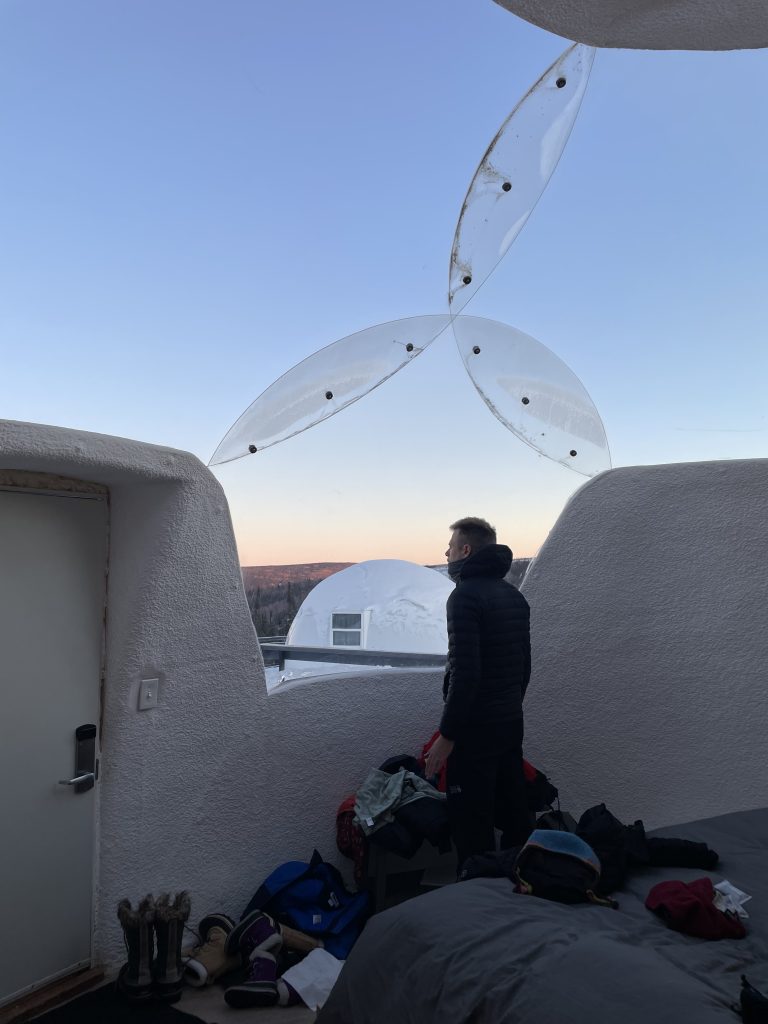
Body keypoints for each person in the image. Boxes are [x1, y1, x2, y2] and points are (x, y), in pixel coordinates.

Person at [424, 516, 532, 869]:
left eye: (452, 547)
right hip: (509, 723)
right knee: (514, 813)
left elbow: (465, 673)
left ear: (465, 550)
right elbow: (524, 668)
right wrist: (507, 707)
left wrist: (448, 736)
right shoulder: (513, 596)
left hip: (476, 731)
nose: (447, 552)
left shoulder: (464, 597)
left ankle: (475, 901)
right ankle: (520, 891)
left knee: (472, 824)